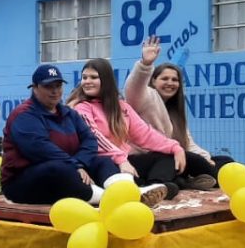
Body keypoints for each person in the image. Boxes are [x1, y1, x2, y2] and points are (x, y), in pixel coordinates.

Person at [1, 64, 165, 207]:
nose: (55, 91)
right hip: (22, 182)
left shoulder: (68, 113)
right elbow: (41, 149)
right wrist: (75, 166)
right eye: (48, 86)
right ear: (35, 88)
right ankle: (110, 199)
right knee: (58, 168)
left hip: (70, 168)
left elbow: (89, 140)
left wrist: (79, 163)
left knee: (102, 160)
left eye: (58, 85)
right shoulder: (24, 115)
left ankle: (128, 191)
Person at [67, 58, 184, 200]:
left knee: (166, 157)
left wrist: (175, 147)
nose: (87, 81)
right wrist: (121, 159)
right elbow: (94, 138)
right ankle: (150, 188)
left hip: (122, 160)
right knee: (108, 164)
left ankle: (156, 188)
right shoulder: (80, 107)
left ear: (106, 80)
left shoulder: (120, 106)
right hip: (99, 163)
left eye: (93, 77)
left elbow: (145, 134)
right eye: (84, 77)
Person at [123, 37, 229, 189]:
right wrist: (145, 65)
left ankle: (192, 180)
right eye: (164, 78)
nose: (170, 83)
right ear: (153, 81)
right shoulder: (145, 98)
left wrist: (208, 158)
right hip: (147, 160)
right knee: (191, 160)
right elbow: (133, 89)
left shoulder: (175, 111)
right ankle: (221, 179)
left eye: (175, 79)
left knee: (223, 159)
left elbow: (188, 143)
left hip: (172, 158)